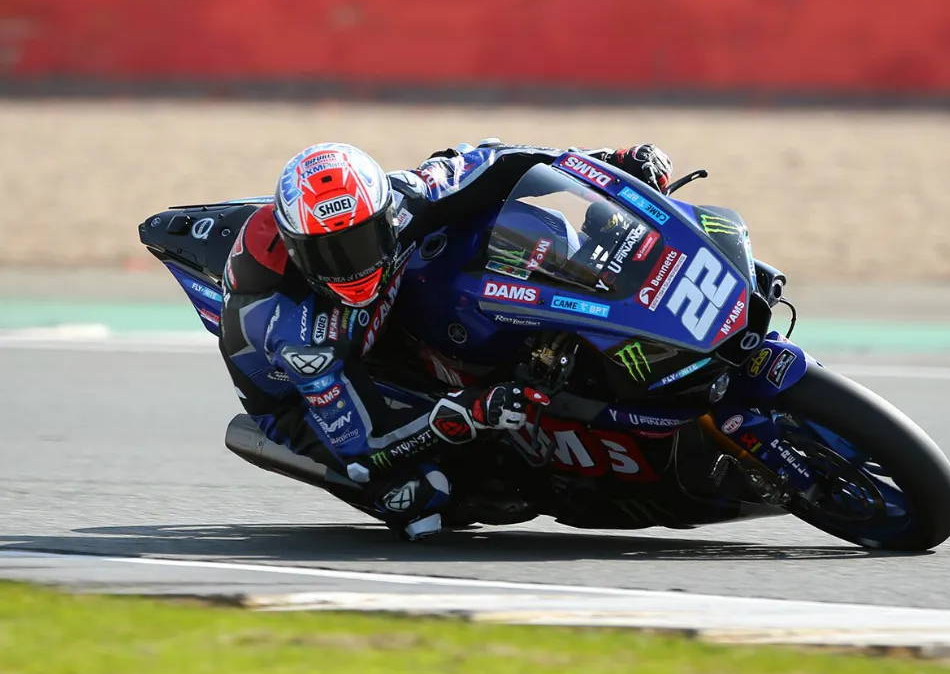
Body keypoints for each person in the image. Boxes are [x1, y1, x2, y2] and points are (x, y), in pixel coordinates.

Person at [218, 139, 674, 540]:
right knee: (425, 496)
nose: (352, 266)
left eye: (362, 241)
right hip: (301, 401)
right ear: (297, 250)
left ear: (384, 215)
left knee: (473, 235)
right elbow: (366, 445)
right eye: (329, 254)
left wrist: (610, 163)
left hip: (382, 319)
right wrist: (469, 411)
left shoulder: (404, 197)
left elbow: (499, 161)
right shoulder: (300, 334)